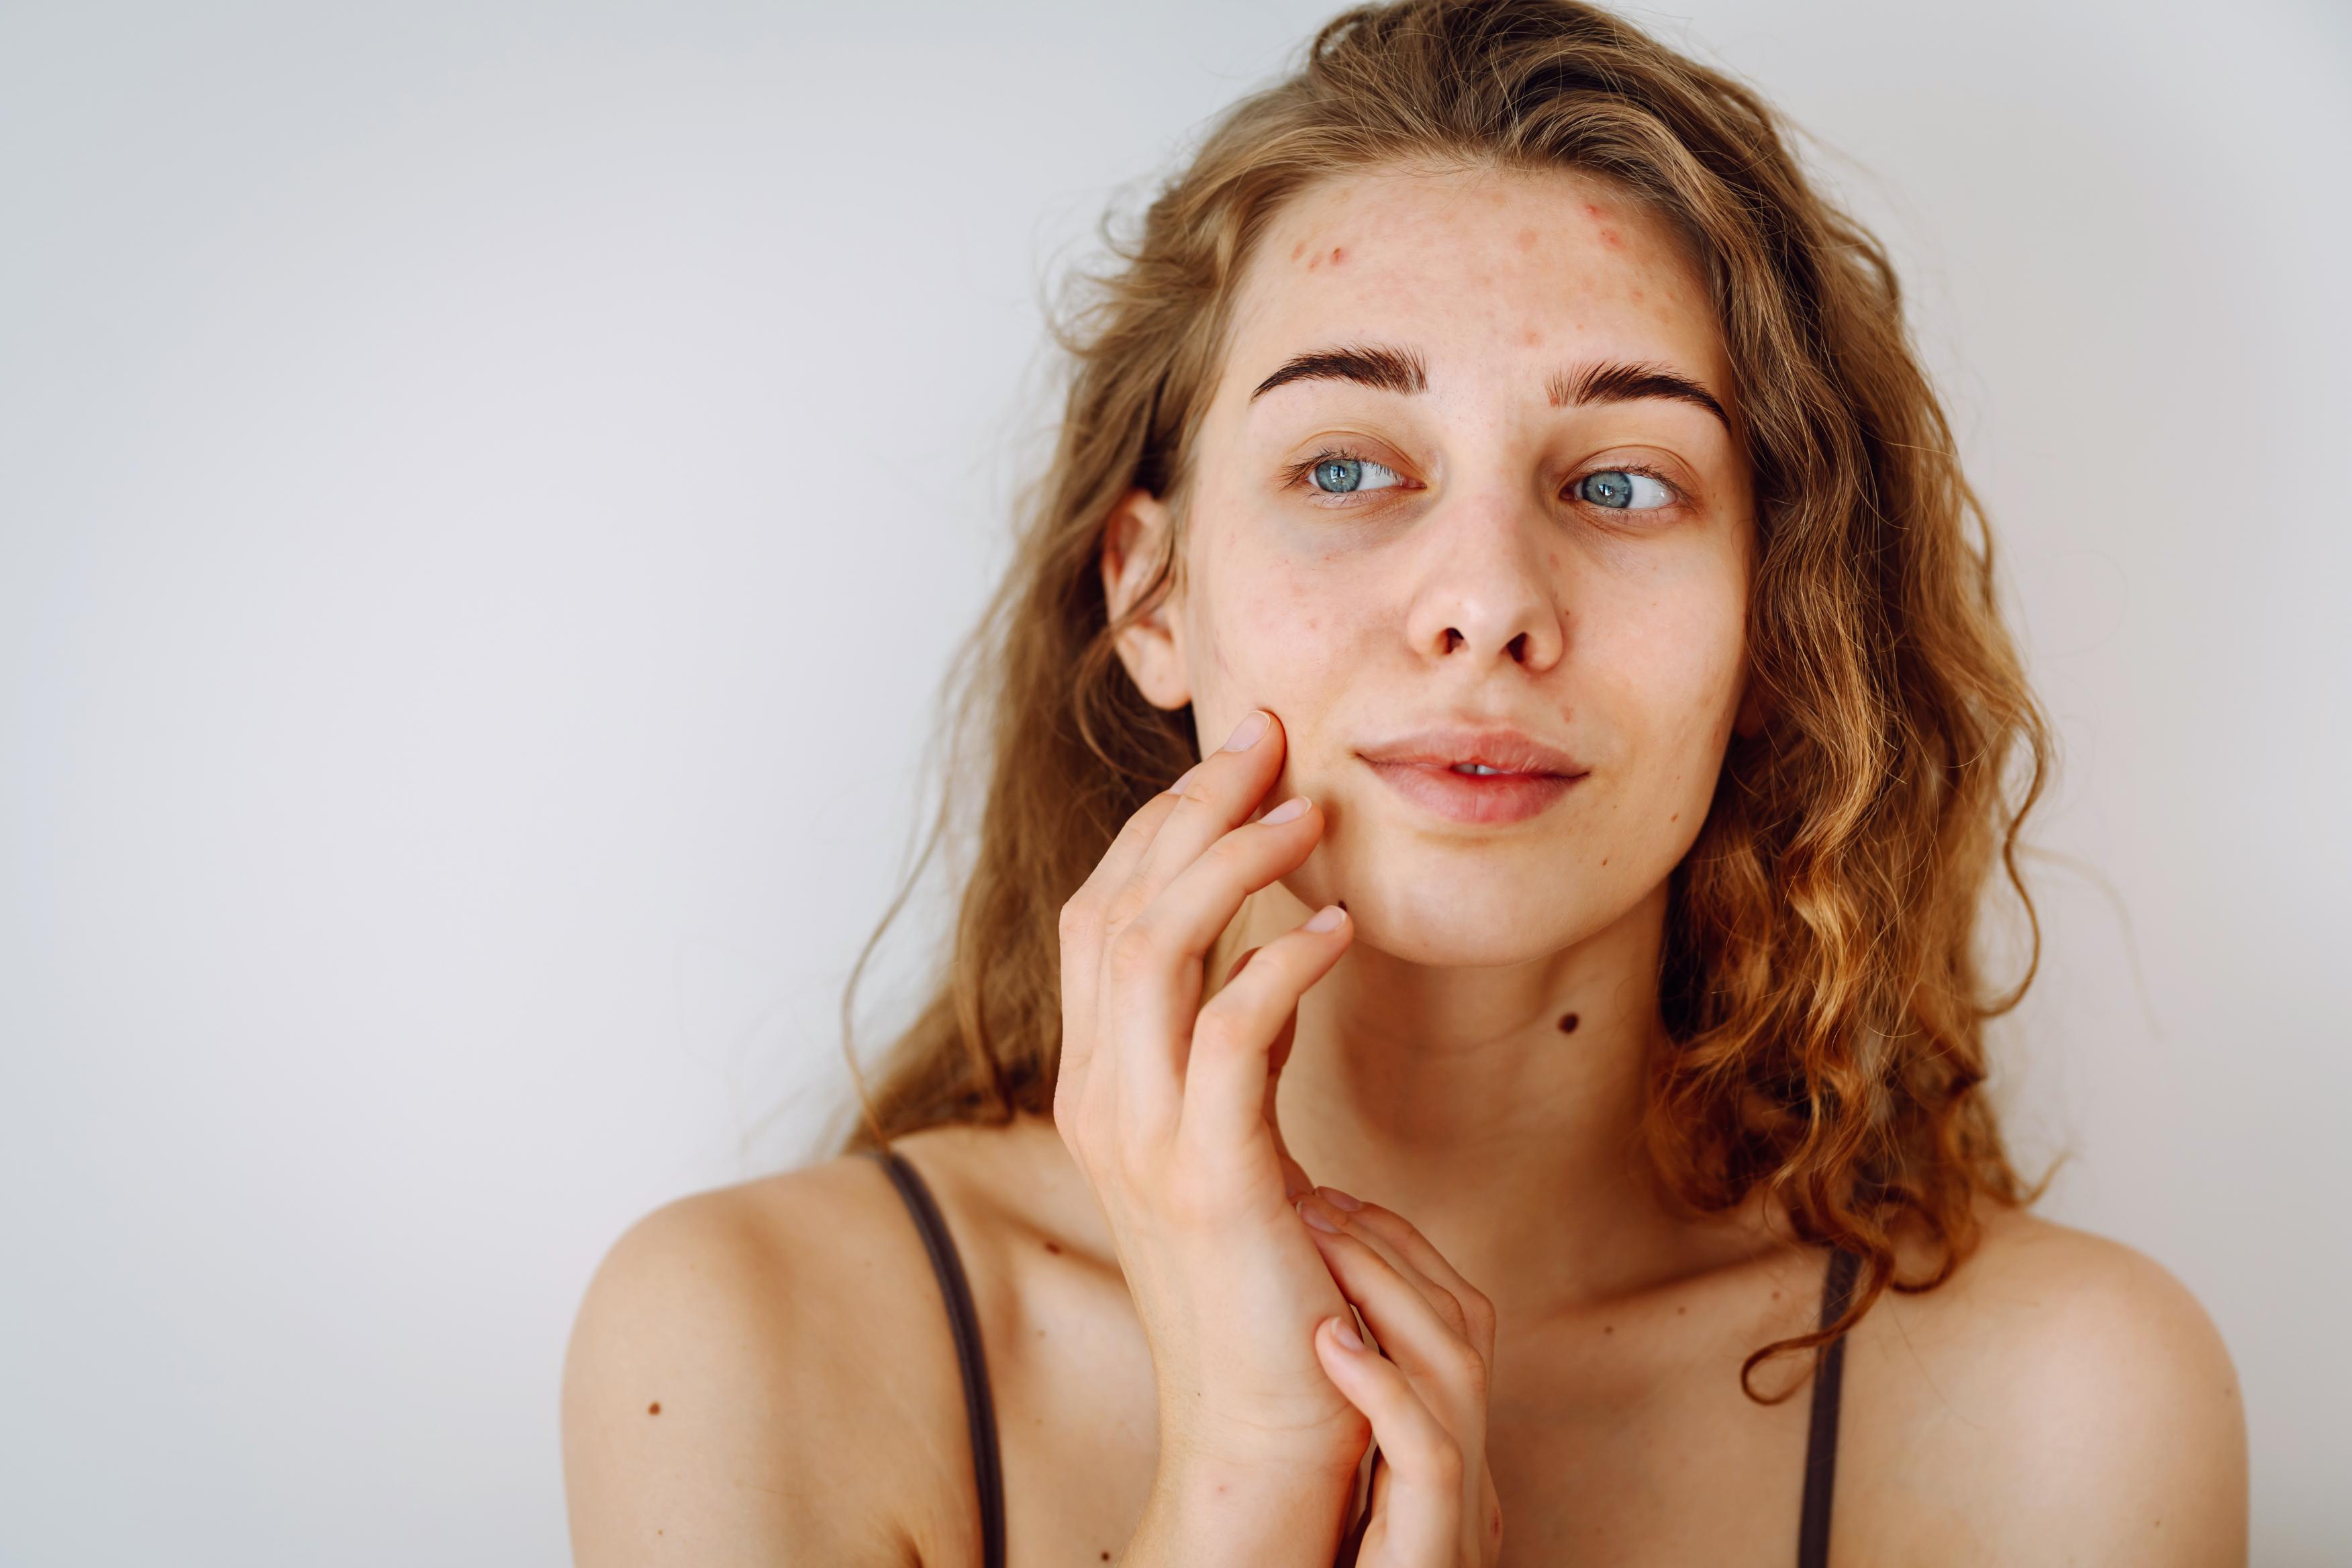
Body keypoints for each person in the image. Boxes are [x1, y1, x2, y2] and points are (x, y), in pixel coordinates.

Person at [559, 1, 2247, 1561]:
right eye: (1349, 464)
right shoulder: (752, 1339)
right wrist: (1242, 1468)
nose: (1489, 602)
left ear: (1773, 629)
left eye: (1624, 482)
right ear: (1150, 594)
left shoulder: (2062, 1410)